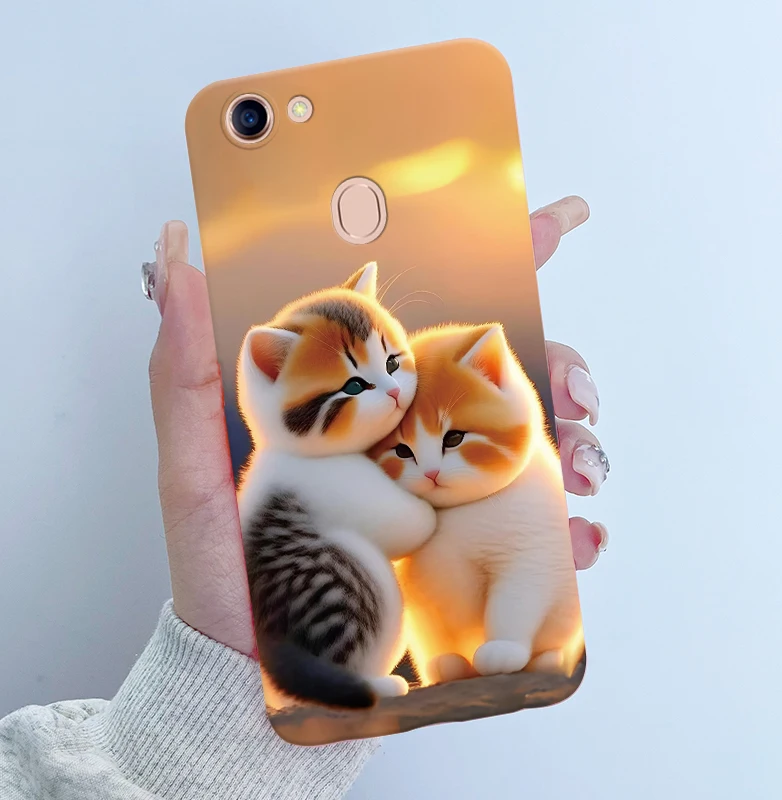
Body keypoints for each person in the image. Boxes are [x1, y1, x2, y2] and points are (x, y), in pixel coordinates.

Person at [0, 196, 610, 800]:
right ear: (272, 376)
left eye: (394, 361)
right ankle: (340, 679)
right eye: (356, 385)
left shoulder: (313, 460)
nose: (393, 392)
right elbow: (411, 528)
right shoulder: (318, 469)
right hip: (325, 630)